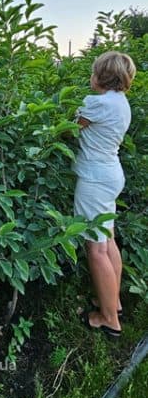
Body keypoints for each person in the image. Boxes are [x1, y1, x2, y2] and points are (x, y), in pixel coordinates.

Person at [72, 50, 136, 338]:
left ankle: (108, 318)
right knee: (107, 240)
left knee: (95, 249)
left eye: (94, 70)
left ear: (100, 77)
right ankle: (113, 301)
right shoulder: (121, 103)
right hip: (111, 174)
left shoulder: (95, 103)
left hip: (94, 179)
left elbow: (70, 130)